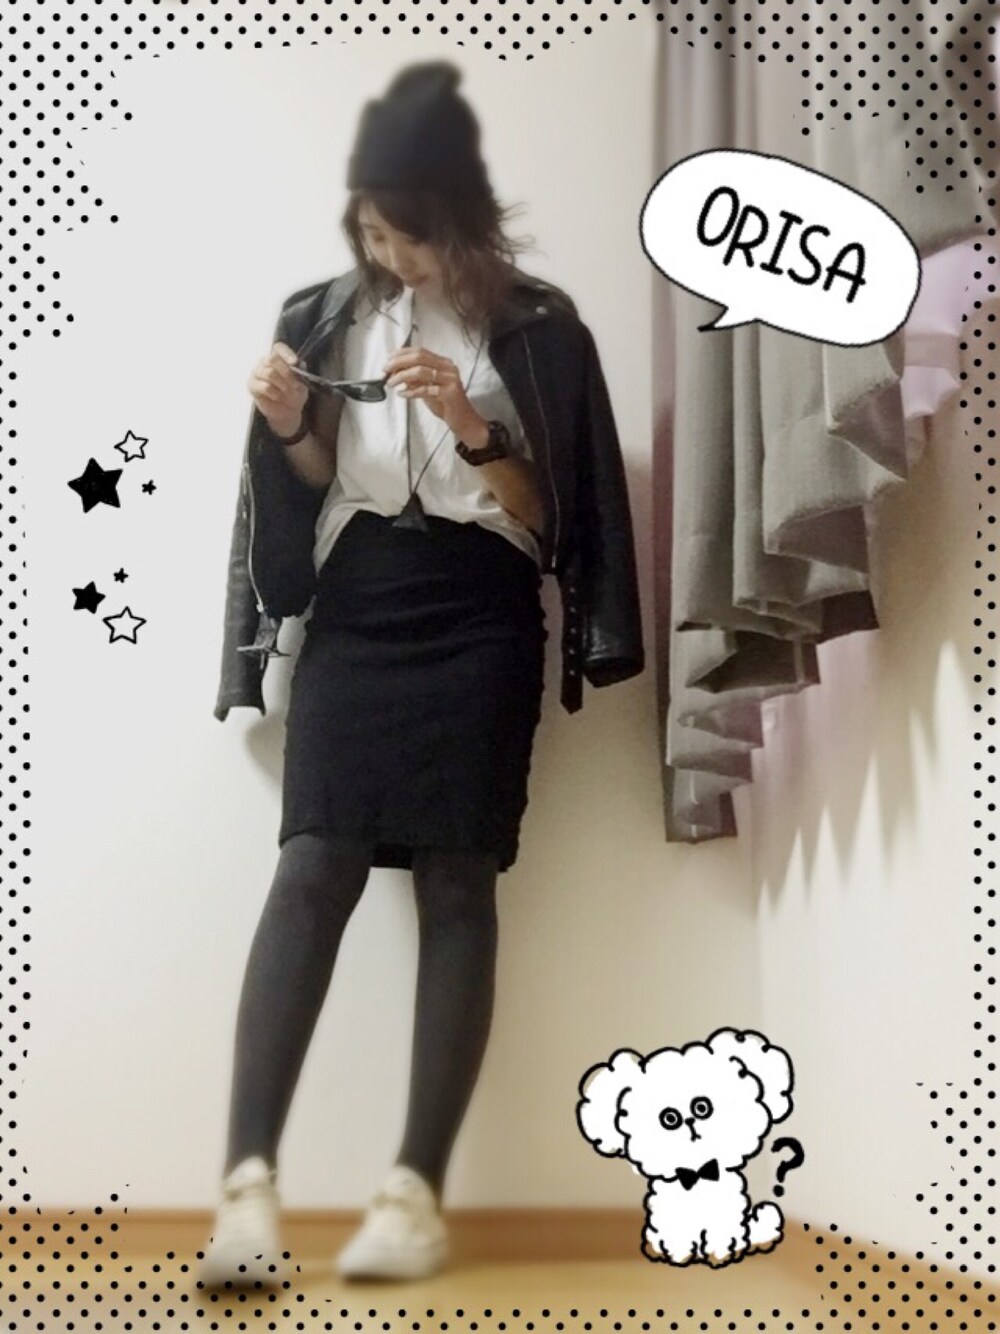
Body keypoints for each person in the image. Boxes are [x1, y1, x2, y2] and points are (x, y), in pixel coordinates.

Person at [201, 60, 644, 1289]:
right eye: (370, 230)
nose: (386, 253)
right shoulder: (318, 313)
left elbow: (555, 518)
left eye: (404, 232)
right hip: (358, 606)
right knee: (312, 865)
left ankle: (412, 1194)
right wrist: (288, 423)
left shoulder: (541, 328)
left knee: (458, 879)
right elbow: (308, 485)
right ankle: (246, 1190)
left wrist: (470, 421)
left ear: (460, 216)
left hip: (480, 611)